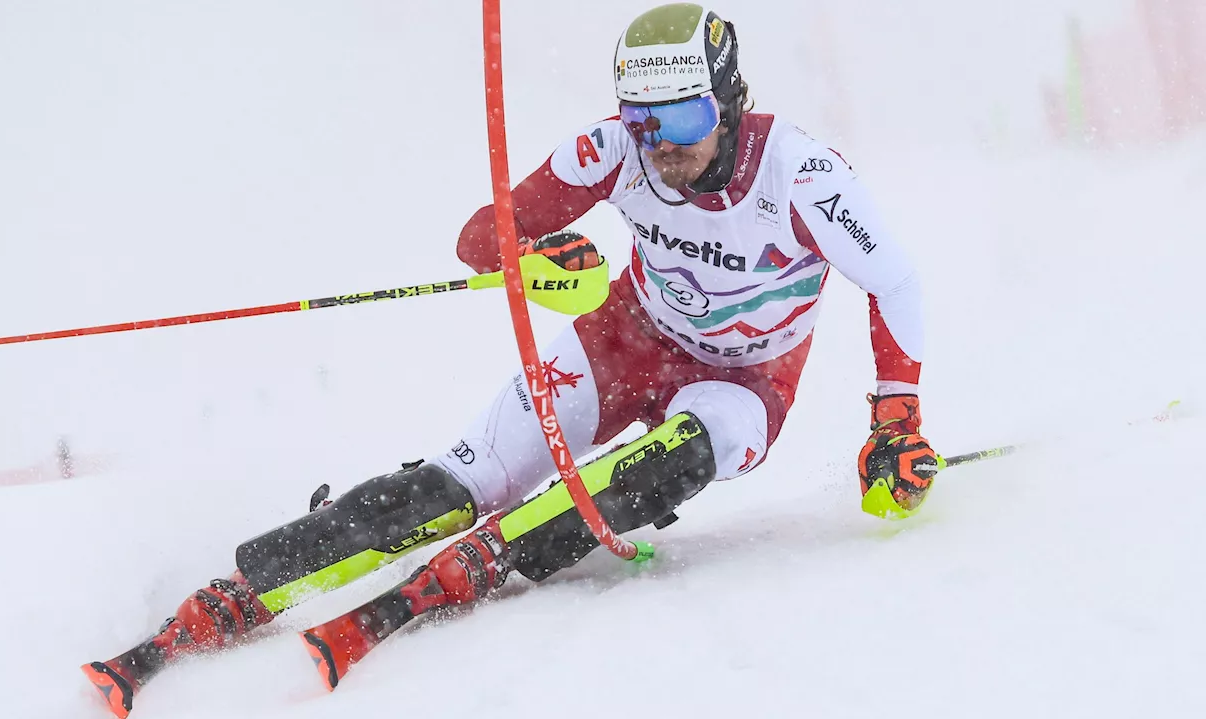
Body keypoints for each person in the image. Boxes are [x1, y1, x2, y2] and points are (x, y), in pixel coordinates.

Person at [82, 4, 938, 716]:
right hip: (626, 340)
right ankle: (246, 585)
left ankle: (488, 561)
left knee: (668, 462)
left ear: (728, 99)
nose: (662, 147)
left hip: (746, 381)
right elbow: (480, 235)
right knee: (457, 488)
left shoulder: (801, 173)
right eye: (644, 122)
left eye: (682, 119)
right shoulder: (614, 150)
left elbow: (894, 282)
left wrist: (896, 416)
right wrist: (536, 256)